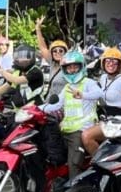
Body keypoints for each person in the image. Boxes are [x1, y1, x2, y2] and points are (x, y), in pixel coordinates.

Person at [42, 51, 101, 184]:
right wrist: (38, 108)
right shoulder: (67, 87)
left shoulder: (88, 83)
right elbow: (57, 105)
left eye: (75, 66)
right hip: (66, 130)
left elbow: (99, 93)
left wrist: (83, 95)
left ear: (82, 67)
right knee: (52, 157)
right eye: (69, 67)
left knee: (74, 164)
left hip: (81, 131)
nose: (72, 70)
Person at [81, 47, 121, 155]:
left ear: (119, 64)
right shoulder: (103, 78)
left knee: (86, 136)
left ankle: (100, 161)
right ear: (103, 63)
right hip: (106, 118)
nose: (111, 64)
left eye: (114, 61)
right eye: (108, 60)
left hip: (118, 121)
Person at [35, 15, 68, 99]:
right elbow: (42, 47)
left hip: (63, 104)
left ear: (65, 53)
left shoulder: (70, 66)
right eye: (55, 51)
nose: (58, 53)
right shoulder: (52, 63)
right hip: (50, 101)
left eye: (61, 51)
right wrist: (38, 29)